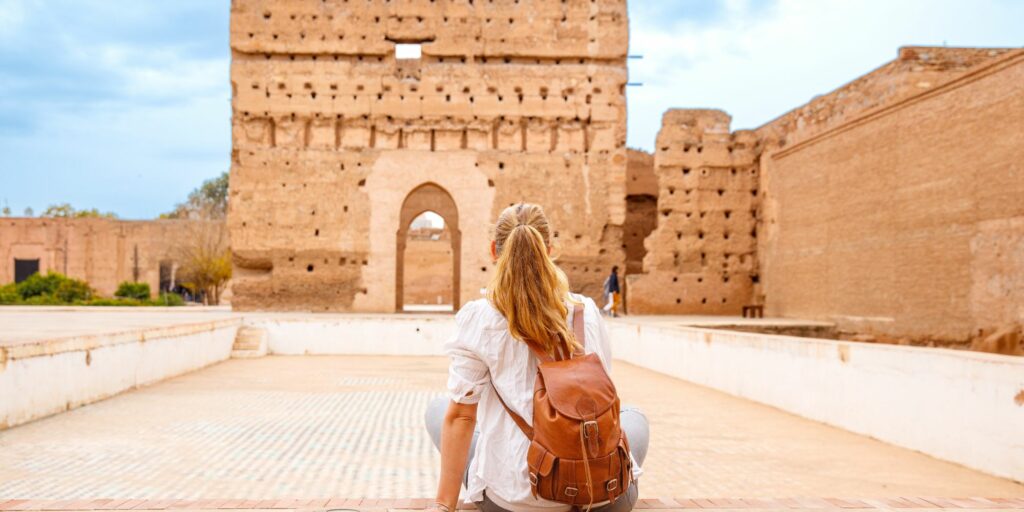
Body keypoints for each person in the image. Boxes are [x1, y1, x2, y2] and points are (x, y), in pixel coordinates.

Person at [425, 203, 649, 512]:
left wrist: (443, 505)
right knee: (635, 418)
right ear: (550, 250)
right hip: (601, 497)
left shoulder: (480, 318)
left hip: (513, 501)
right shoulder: (586, 311)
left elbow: (461, 416)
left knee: (440, 410)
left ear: (494, 250)